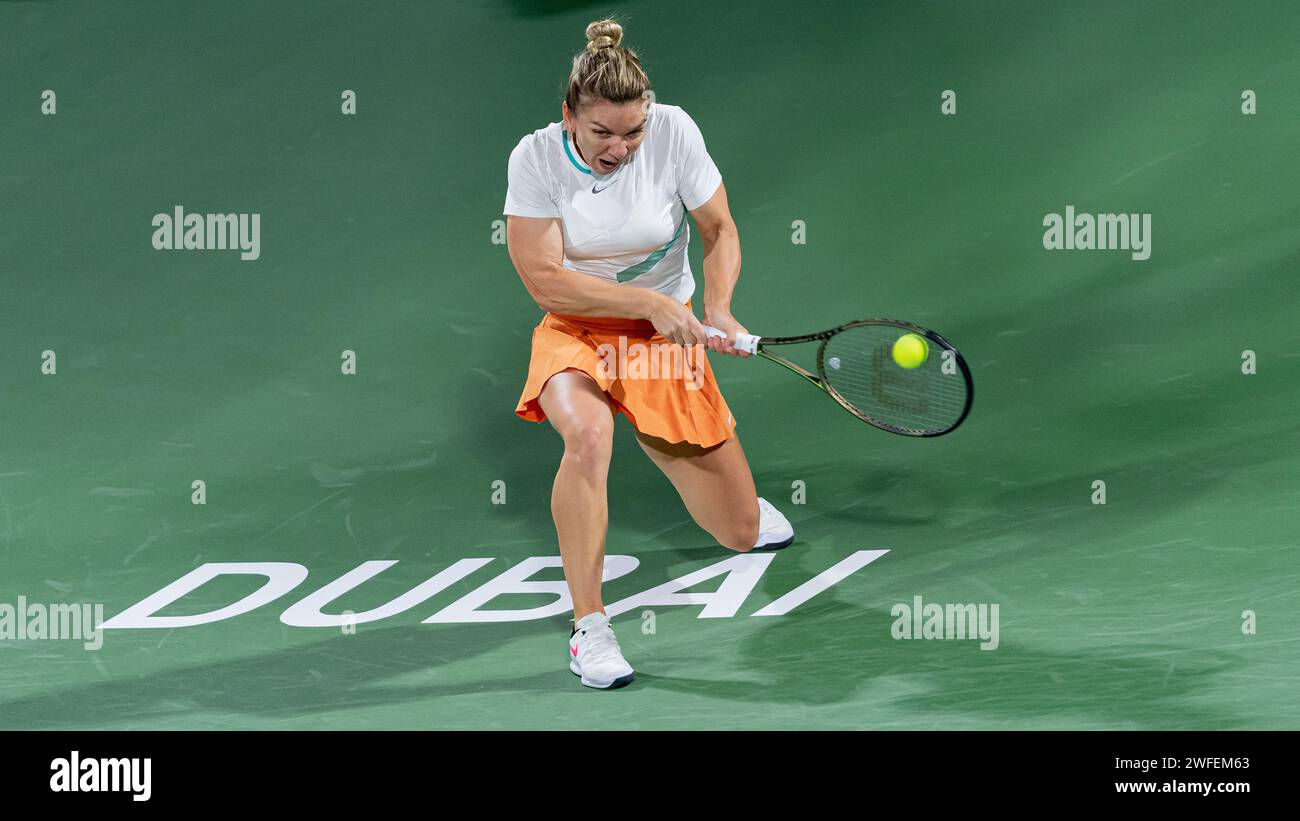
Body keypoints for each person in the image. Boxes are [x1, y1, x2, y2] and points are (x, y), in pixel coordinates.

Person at [503, 19, 794, 690]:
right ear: (569, 115)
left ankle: (745, 511)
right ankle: (590, 629)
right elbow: (544, 278)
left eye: (632, 132)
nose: (620, 147)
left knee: (742, 531)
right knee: (588, 435)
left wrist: (715, 308)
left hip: (665, 344)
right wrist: (650, 303)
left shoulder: (674, 132)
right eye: (602, 132)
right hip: (578, 330)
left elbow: (718, 229)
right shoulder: (536, 159)